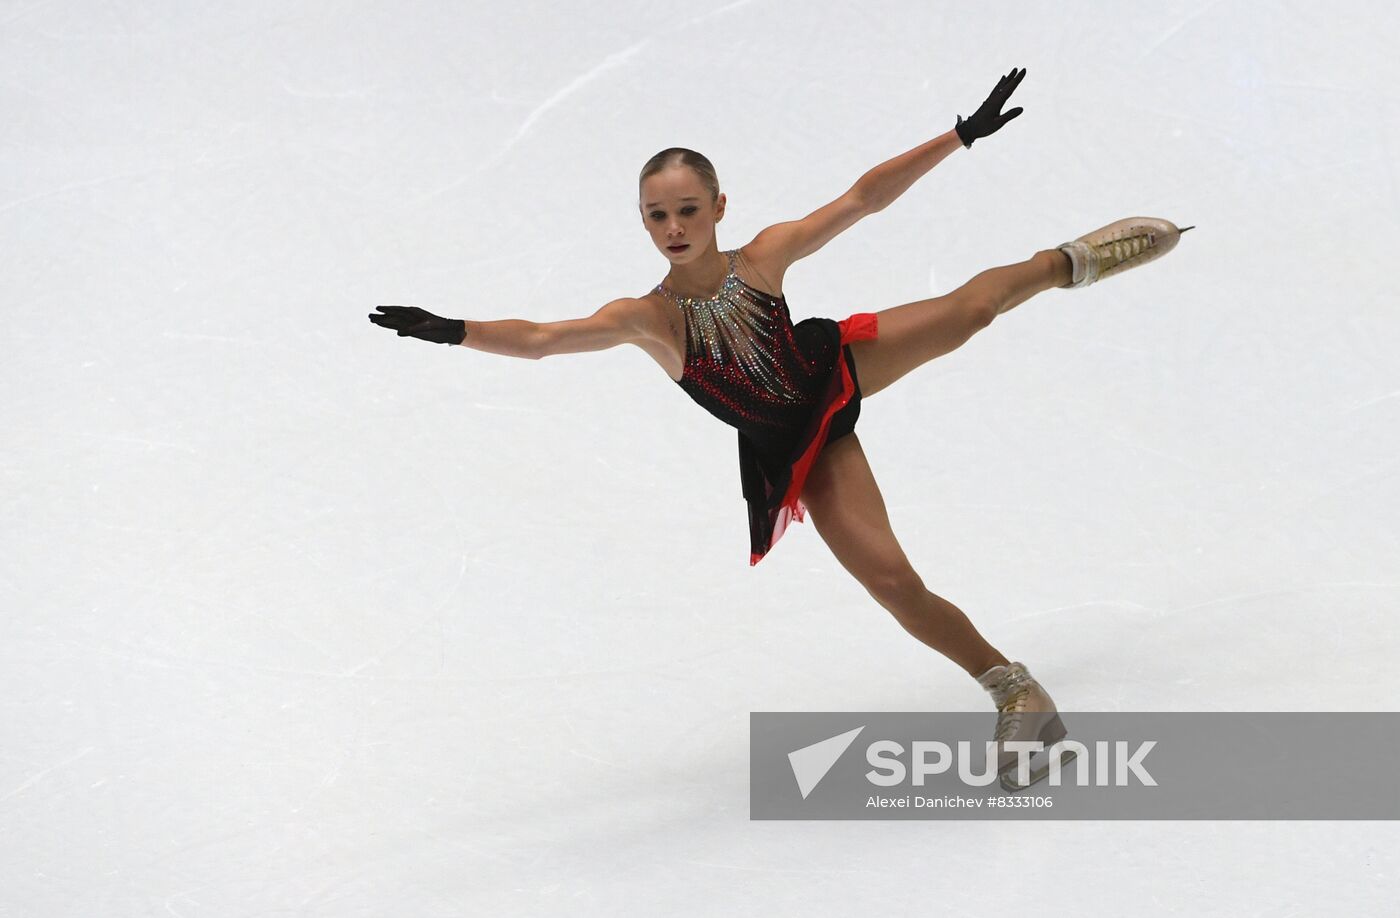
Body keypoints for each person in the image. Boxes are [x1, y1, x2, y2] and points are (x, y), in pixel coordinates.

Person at [368, 67, 1191, 791]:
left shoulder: (759, 259)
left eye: (688, 208)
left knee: (971, 311)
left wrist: (960, 135)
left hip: (833, 369)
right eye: (657, 215)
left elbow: (862, 200)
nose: (674, 226)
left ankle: (1069, 261)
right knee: (893, 584)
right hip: (801, 445)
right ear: (644, 223)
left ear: (719, 206)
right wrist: (455, 329)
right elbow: (545, 341)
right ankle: (1016, 691)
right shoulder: (647, 319)